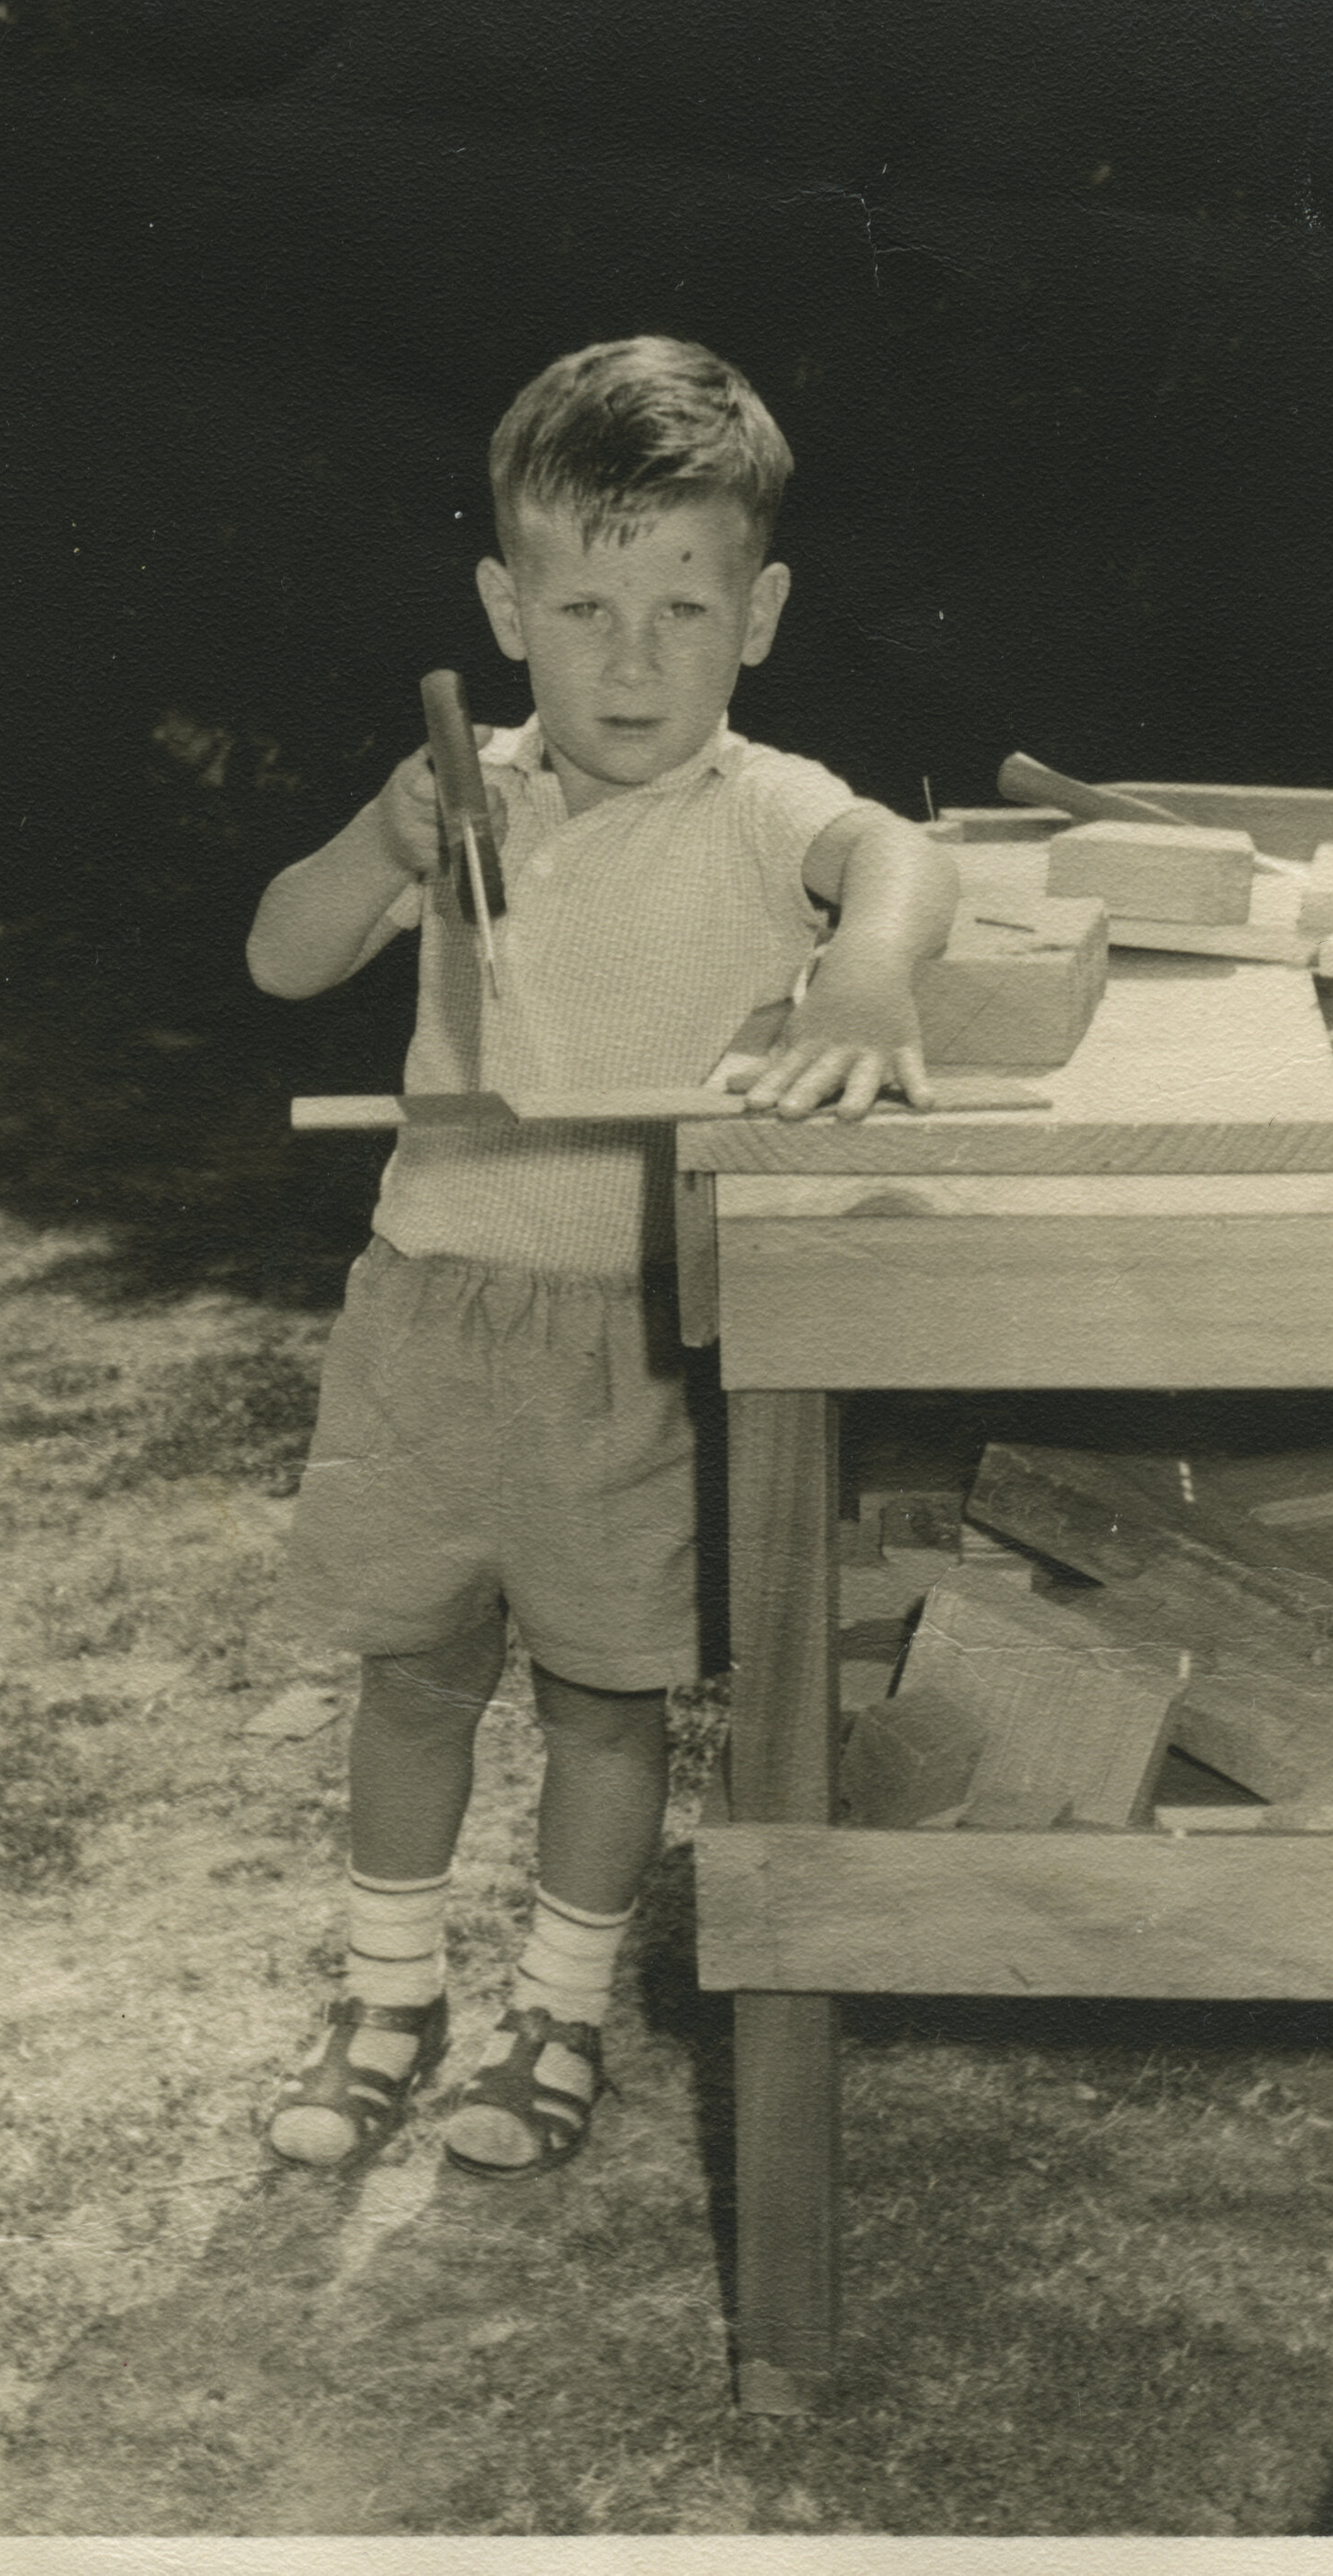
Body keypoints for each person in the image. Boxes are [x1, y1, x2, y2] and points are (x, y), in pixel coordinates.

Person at [247, 336, 957, 2178]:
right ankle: (385, 1995)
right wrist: (370, 835)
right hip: (423, 1312)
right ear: (504, 603)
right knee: (407, 1672)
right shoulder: (460, 789)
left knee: (602, 1695)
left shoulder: (763, 801)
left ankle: (552, 2014)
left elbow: (898, 859)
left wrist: (867, 970)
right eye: (581, 604)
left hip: (626, 1337)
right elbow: (280, 956)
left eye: (680, 606)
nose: (630, 658)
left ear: (762, 610)